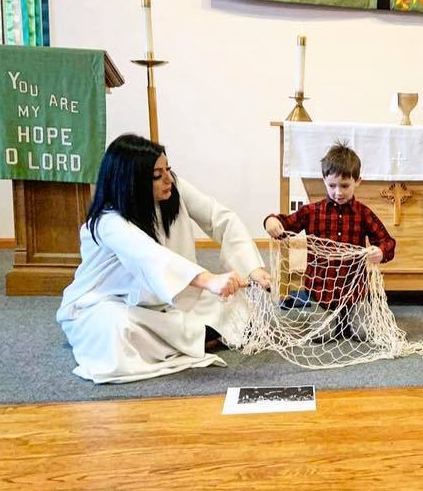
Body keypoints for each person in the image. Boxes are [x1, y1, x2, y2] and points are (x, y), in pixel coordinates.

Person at [57, 134, 271, 384]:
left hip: (168, 298)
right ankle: (191, 337)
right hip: (111, 303)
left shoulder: (173, 187)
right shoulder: (108, 221)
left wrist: (252, 268)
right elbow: (149, 256)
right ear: (131, 182)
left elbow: (219, 218)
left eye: (168, 169)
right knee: (116, 330)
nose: (168, 179)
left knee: (235, 306)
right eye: (157, 175)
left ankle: (186, 336)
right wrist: (209, 280)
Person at [263, 141, 396, 341]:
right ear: (324, 179)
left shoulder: (363, 213)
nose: (338, 192)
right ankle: (333, 319)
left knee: (365, 333)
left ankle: (347, 316)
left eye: (345, 186)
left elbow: (387, 241)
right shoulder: (311, 212)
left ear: (357, 181)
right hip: (322, 291)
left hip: (353, 291)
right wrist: (271, 221)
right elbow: (285, 224)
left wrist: (380, 251)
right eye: (332, 185)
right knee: (322, 336)